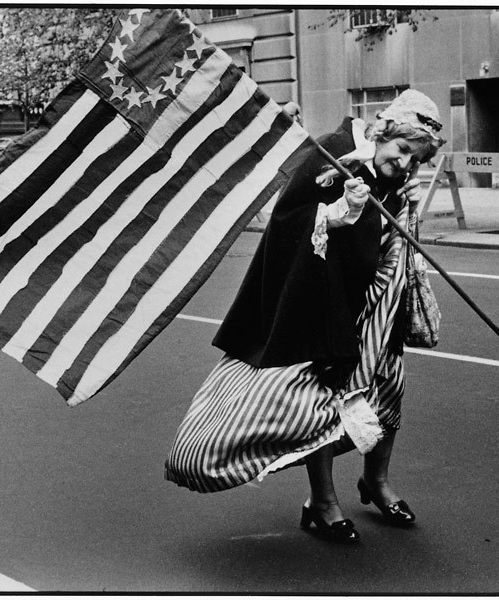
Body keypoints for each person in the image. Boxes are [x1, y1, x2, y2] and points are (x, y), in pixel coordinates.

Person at [166, 90, 445, 544]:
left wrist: (404, 202)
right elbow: (289, 220)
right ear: (383, 132)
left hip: (376, 304)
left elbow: (386, 230)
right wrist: (337, 213)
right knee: (322, 403)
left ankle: (375, 482)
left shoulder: (389, 168)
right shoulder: (332, 151)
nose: (407, 163)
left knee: (389, 389)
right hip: (325, 302)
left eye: (418, 160)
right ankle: (323, 501)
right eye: (403, 151)